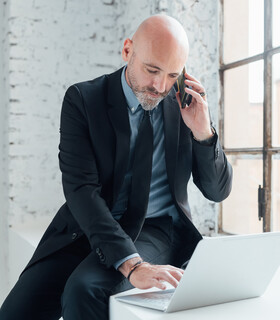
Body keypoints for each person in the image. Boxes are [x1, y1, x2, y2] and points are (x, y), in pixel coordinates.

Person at [0, 14, 233, 320]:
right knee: (15, 312)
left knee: (85, 289)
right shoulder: (83, 100)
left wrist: (203, 133)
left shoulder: (184, 105)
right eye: (152, 70)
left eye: (172, 74)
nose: (160, 86)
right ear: (127, 51)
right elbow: (81, 190)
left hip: (154, 227)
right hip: (87, 224)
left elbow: (217, 191)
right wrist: (131, 264)